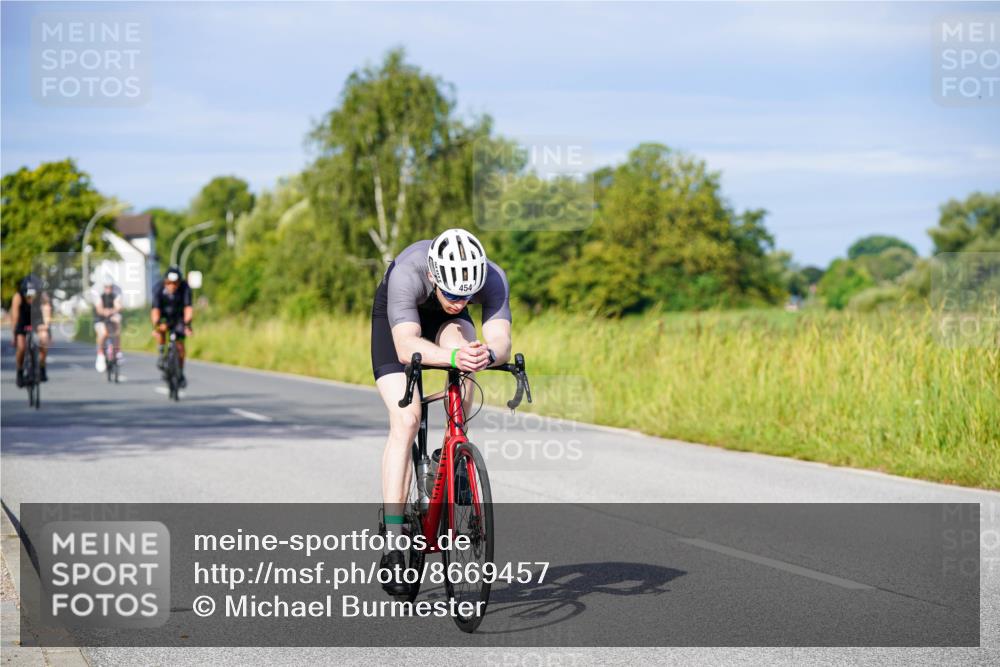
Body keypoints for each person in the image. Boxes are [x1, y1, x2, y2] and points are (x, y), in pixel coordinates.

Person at [370, 228, 512, 595]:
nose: (459, 300)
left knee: (467, 358)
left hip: (444, 331)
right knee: (407, 418)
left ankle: (451, 452)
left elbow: (500, 340)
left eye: (467, 295)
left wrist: (483, 355)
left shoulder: (491, 277)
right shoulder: (407, 272)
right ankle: (394, 540)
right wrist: (452, 357)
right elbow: (405, 347)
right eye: (451, 293)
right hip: (400, 325)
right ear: (433, 275)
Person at [150, 266, 193, 387]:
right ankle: (161, 350)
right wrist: (156, 325)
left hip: (179, 318)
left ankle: (180, 371)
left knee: (180, 346)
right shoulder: (158, 288)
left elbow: (188, 309)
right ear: (165, 282)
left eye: (175, 283)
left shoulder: (185, 288)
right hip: (164, 316)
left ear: (179, 282)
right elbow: (155, 310)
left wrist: (187, 325)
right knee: (160, 330)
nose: (172, 286)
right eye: (169, 283)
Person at [11, 274, 51, 387]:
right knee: (21, 347)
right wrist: (14, 334)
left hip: (37, 320)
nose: (30, 298)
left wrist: (46, 326)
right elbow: (14, 317)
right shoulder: (17, 297)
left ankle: (42, 367)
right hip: (22, 320)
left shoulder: (42, 296)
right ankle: (19, 371)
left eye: (33, 295)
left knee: (44, 340)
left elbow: (46, 310)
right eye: (28, 295)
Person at [94, 280, 123, 372]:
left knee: (117, 324)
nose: (109, 289)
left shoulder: (117, 292)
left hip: (112, 314)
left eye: (110, 287)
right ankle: (100, 354)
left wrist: (112, 311)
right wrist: (104, 312)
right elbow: (99, 308)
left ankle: (117, 351)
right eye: (107, 287)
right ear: (103, 287)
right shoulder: (98, 292)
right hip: (100, 317)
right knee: (103, 333)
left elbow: (118, 305)